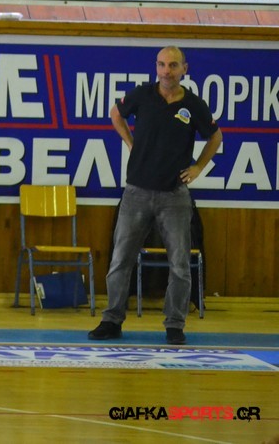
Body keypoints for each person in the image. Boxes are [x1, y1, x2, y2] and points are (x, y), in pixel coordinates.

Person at [88, 46, 222, 346]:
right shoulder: (142, 95)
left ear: (184, 69)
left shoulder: (194, 105)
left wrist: (198, 167)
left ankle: (174, 325)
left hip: (174, 196)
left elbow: (215, 136)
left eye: (173, 65)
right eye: (161, 65)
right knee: (120, 260)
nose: (166, 71)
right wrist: (130, 143)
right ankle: (111, 320)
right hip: (136, 191)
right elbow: (115, 114)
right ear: (156, 67)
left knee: (180, 265)